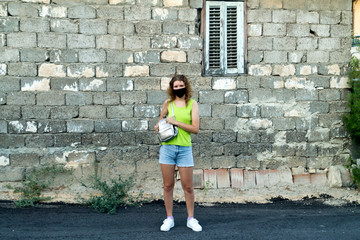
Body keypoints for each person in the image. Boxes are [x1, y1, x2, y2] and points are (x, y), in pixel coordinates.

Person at [154, 74, 202, 232]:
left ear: (185, 86)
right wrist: (158, 126)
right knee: (168, 186)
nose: (178, 88)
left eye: (181, 85)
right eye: (175, 86)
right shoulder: (168, 103)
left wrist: (176, 122)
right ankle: (169, 218)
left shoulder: (192, 104)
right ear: (172, 88)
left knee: (188, 187)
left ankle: (191, 219)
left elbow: (195, 129)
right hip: (167, 148)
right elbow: (160, 122)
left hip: (184, 149)